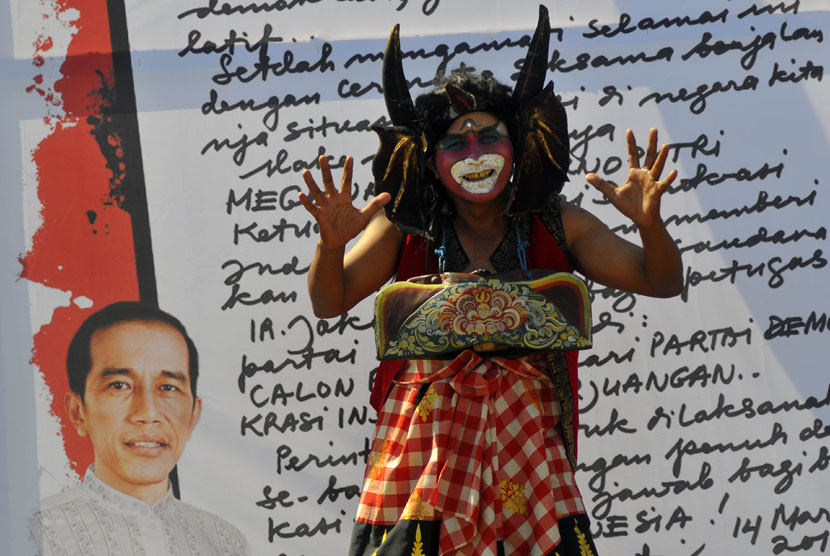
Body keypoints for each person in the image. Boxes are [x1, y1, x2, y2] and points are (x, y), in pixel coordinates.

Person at [299, 7, 682, 556]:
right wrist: (329, 247)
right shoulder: (400, 225)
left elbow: (661, 280)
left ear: (516, 146)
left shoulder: (558, 222)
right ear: (430, 163)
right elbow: (327, 302)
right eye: (455, 144)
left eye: (487, 137)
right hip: (423, 448)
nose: (473, 154)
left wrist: (651, 225)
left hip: (530, 446)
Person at [28, 301, 250, 556]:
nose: (148, 413)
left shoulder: (225, 542)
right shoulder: (35, 533)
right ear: (78, 412)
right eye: (119, 385)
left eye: (168, 388)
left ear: (192, 416)